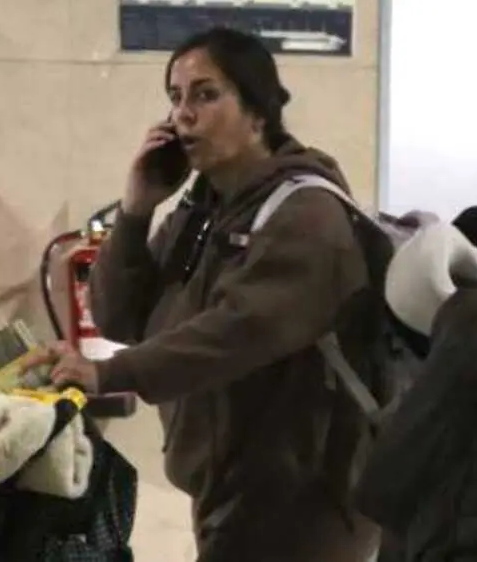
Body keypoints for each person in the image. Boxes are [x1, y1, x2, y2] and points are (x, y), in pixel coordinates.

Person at [23, 27, 379, 562]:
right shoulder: (205, 211)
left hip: (300, 503)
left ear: (258, 112)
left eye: (206, 95)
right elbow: (119, 316)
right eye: (175, 97)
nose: (183, 114)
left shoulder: (306, 213)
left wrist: (109, 374)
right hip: (230, 488)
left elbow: (239, 330)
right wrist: (137, 208)